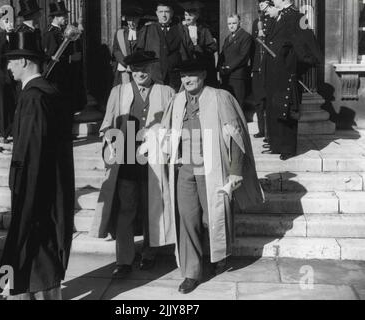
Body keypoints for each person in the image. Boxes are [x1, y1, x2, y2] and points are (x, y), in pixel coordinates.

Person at [161, 59, 264, 294]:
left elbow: (235, 135)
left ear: (204, 75)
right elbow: (167, 133)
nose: (187, 80)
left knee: (213, 217)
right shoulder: (176, 101)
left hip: (213, 167)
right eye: (183, 76)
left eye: (192, 75)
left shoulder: (220, 97)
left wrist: (236, 170)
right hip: (185, 168)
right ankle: (192, 273)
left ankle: (219, 256)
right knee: (187, 218)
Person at [0, 31, 75, 300]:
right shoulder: (48, 93)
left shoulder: (34, 97)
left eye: (11, 61)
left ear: (25, 61)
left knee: (34, 247)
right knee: (39, 247)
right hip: (49, 185)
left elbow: (34, 152)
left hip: (35, 187)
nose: (8, 67)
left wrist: (24, 189)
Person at [90, 51, 175, 278]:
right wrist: (111, 140)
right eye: (136, 70)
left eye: (145, 69)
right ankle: (124, 259)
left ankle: (149, 252)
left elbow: (173, 125)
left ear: (153, 70)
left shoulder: (166, 92)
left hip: (154, 159)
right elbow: (107, 123)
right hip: (126, 159)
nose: (141, 73)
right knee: (126, 207)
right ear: (130, 71)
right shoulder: (118, 92)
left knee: (152, 206)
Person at [263, 0, 322, 160]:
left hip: (287, 73)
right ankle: (277, 145)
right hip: (274, 73)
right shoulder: (278, 17)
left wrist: (296, 67)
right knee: (275, 108)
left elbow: (309, 45)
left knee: (286, 109)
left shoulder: (299, 17)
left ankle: (288, 148)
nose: (272, 1)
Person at [137, 0, 191, 90]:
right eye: (161, 12)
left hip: (175, 77)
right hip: (153, 77)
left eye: (167, 11)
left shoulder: (181, 29)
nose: (164, 15)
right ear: (156, 13)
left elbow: (187, 52)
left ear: (172, 13)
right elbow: (140, 53)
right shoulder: (147, 30)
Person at [251, 1, 276, 139]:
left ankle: (269, 132)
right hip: (257, 67)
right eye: (260, 4)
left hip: (269, 66)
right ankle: (262, 130)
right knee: (258, 101)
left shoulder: (274, 21)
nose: (261, 7)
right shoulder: (256, 22)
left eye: (264, 4)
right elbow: (254, 47)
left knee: (269, 101)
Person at [218, 14, 253, 108]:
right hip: (226, 75)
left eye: (234, 23)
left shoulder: (245, 36)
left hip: (237, 75)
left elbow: (243, 56)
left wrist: (229, 67)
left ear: (239, 23)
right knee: (227, 103)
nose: (231, 25)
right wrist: (219, 67)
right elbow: (222, 54)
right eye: (229, 23)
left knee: (237, 103)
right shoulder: (227, 38)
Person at [180, 1, 218, 86]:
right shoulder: (180, 29)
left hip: (200, 66)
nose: (187, 18)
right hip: (185, 67)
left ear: (196, 16)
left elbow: (212, 47)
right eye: (186, 15)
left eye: (190, 15)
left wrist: (197, 46)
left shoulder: (204, 30)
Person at [112, 5, 144, 86]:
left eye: (134, 19)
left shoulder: (143, 32)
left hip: (140, 69)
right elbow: (116, 50)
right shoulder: (120, 33)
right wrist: (126, 63)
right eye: (129, 19)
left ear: (139, 19)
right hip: (124, 69)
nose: (132, 22)